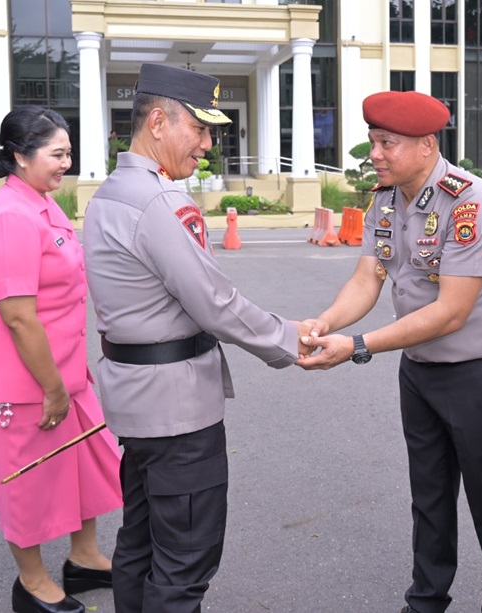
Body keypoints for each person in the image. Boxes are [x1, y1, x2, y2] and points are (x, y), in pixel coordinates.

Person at [82, 63, 305, 613]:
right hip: (177, 411)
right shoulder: (159, 200)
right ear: (158, 121)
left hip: (137, 403)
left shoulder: (113, 190)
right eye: (199, 129)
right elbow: (213, 301)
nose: (207, 143)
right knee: (184, 562)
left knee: (141, 545)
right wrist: (290, 341)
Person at [297, 90, 482, 613]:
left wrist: (356, 346)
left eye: (387, 143)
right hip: (421, 371)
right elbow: (369, 275)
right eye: (374, 141)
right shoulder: (385, 198)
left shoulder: (471, 203)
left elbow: (451, 311)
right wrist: (326, 321)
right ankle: (426, 600)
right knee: (428, 496)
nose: (374, 154)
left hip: (481, 375)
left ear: (426, 145)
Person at [0, 106, 123, 613]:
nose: (66, 163)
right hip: (27, 377)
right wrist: (53, 387)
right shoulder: (13, 217)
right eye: (57, 154)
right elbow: (17, 317)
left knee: (84, 461)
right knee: (28, 478)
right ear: (19, 155)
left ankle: (83, 558)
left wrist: (70, 375)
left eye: (68, 153)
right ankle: (31, 583)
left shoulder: (41, 202)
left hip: (64, 367)